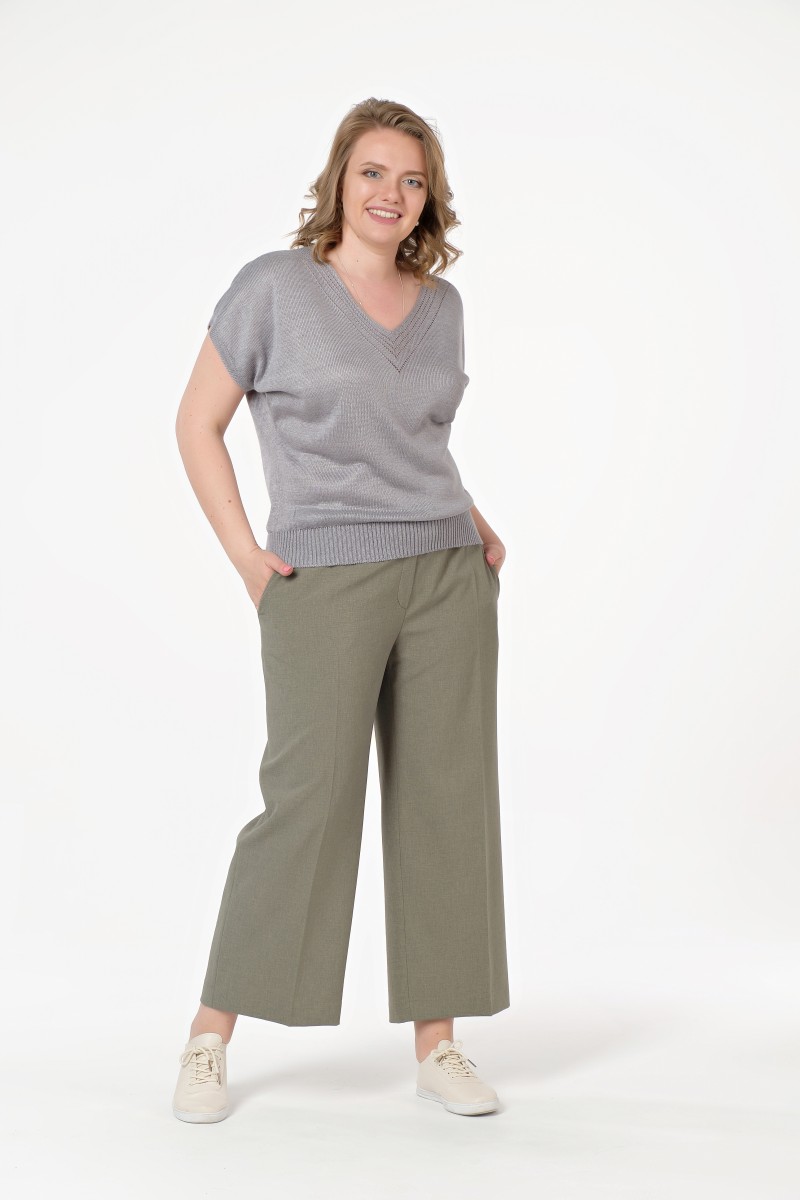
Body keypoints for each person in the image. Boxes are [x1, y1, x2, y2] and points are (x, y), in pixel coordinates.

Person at [172, 96, 510, 1123]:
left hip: (446, 572)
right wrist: (246, 556)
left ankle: (438, 1046)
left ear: (428, 199)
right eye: (373, 172)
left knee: (447, 803)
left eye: (411, 179)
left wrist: (474, 521)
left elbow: (416, 442)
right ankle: (209, 1036)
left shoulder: (442, 306)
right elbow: (197, 423)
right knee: (306, 803)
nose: (390, 194)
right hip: (321, 577)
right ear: (337, 179)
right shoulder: (274, 289)